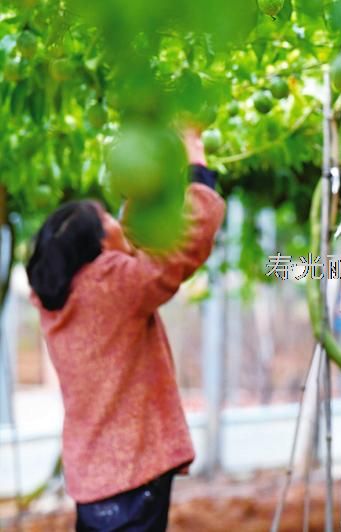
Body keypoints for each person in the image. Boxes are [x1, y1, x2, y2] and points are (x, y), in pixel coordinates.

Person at [25, 128, 226, 531]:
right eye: (107, 220)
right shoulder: (113, 288)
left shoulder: (62, 296)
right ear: (98, 249)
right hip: (132, 472)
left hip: (92, 480)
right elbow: (185, 243)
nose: (116, 221)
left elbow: (129, 243)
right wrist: (194, 152)